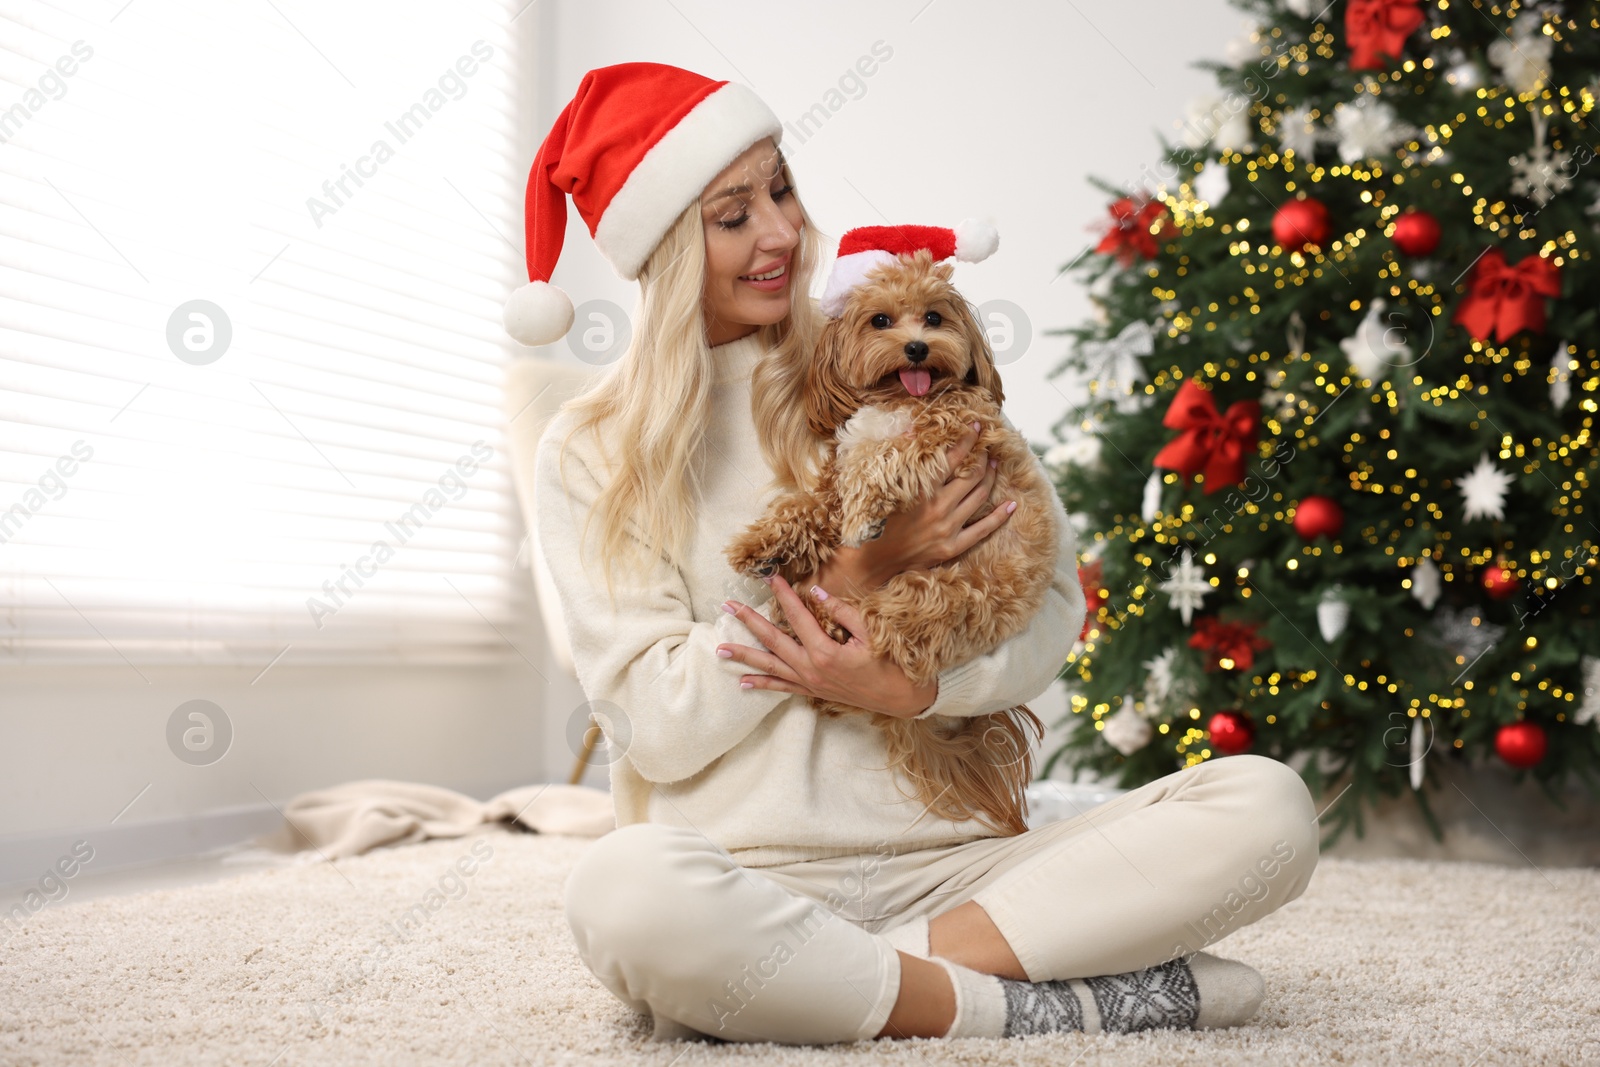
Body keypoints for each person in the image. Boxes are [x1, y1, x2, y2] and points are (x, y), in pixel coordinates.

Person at [509, 62, 1321, 1046]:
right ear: (670, 248)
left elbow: (1051, 606)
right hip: (740, 868)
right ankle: (1029, 998)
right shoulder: (592, 447)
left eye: (780, 187)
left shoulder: (906, 367)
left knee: (1265, 802)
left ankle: (862, 978)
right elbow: (654, 724)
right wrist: (857, 573)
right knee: (622, 892)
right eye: (732, 215)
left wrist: (916, 692)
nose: (779, 231)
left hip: (960, 863)